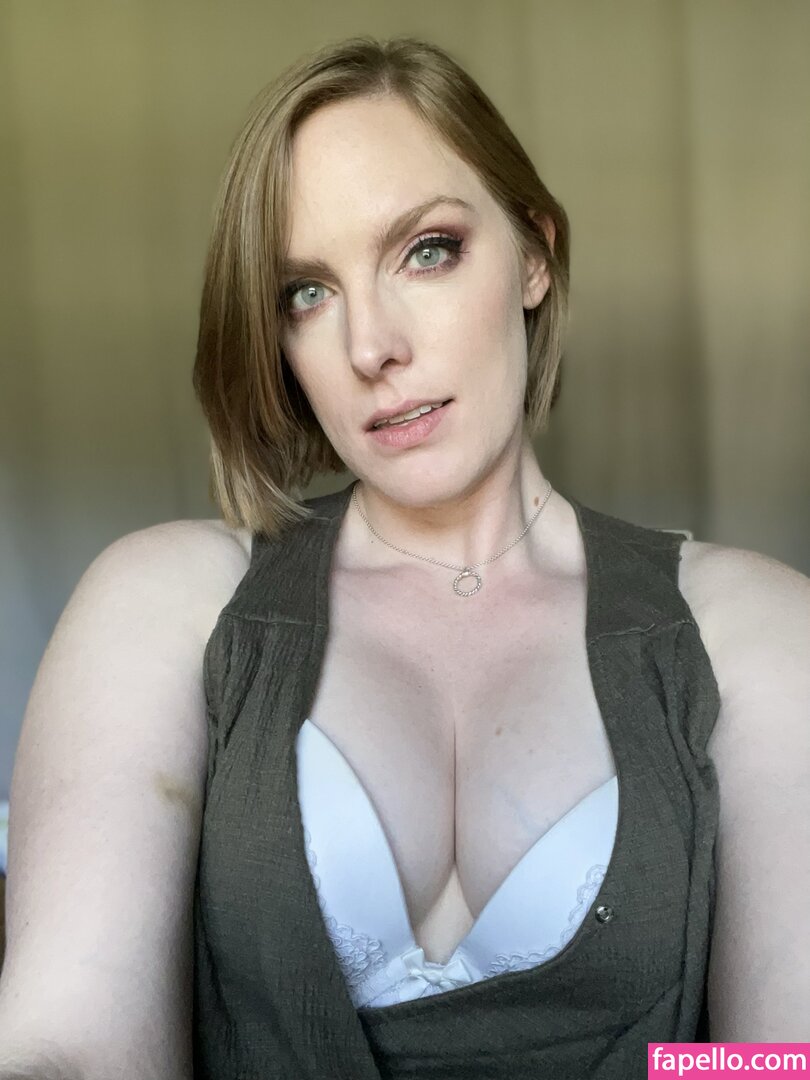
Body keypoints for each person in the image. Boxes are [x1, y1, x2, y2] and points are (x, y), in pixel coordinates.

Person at [1, 34, 808, 1080]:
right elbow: (66, 1049)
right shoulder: (166, 604)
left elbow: (781, 1061)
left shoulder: (754, 631)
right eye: (307, 293)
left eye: (426, 250)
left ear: (534, 256)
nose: (370, 347)